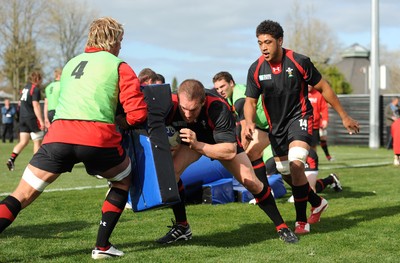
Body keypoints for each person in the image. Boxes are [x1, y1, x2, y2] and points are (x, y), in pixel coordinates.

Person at [0, 17, 147, 260]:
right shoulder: (119, 65)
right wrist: (123, 122)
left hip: (58, 136)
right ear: (111, 40)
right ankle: (101, 246)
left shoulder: (70, 64)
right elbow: (138, 113)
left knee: (21, 195)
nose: (121, 45)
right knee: (123, 180)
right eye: (120, 40)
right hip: (97, 138)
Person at [244, 20, 360, 235]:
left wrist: (344, 116)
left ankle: (300, 222)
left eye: (268, 42)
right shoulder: (256, 68)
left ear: (280, 40)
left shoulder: (298, 61)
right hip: (276, 128)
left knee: (297, 166)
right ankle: (317, 202)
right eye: (260, 43)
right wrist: (249, 121)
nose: (263, 47)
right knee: (286, 172)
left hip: (300, 118)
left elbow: (323, 87)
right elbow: (250, 101)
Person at [156, 79, 298, 245]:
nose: (187, 114)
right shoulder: (170, 104)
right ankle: (182, 227)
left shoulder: (218, 107)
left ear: (203, 102)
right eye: (184, 109)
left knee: (252, 183)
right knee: (171, 173)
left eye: (193, 110)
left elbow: (229, 151)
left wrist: (198, 145)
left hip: (220, 143)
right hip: (193, 140)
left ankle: (281, 226)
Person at [213, 71, 271, 188]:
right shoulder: (230, 97)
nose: (220, 91)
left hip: (276, 124)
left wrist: (239, 153)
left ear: (231, 83)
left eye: (222, 86)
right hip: (264, 127)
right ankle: (265, 189)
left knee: (286, 165)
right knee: (252, 154)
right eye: (217, 88)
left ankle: (310, 189)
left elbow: (246, 130)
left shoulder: (239, 99)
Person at [265, 148, 342, 203]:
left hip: (307, 156)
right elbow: (266, 181)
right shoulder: (271, 163)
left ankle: (330, 179)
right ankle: (331, 179)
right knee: (301, 187)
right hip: (286, 158)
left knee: (310, 191)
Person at [6, 71, 45, 171]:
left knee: (24, 141)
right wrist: (41, 120)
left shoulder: (24, 88)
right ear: (37, 79)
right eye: (40, 79)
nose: (41, 82)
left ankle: (11, 159)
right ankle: (37, 165)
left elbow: (19, 103)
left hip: (22, 118)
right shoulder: (35, 89)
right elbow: (36, 105)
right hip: (31, 118)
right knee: (37, 142)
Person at [308, 85, 333, 161]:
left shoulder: (318, 95)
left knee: (313, 145)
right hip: (303, 123)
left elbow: (324, 108)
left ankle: (313, 162)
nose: (308, 86)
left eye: (310, 84)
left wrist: (325, 119)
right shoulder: (302, 93)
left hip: (315, 125)